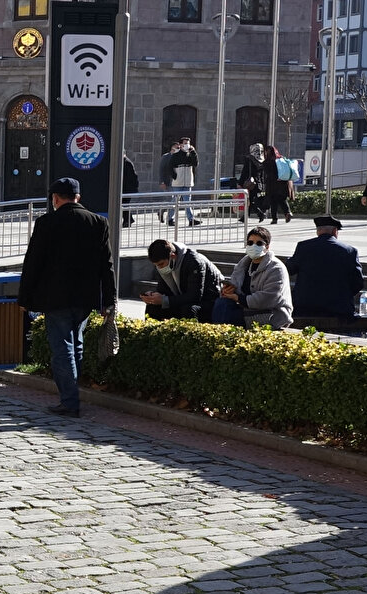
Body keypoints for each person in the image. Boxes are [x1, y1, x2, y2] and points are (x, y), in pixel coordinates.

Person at [18, 177, 117, 418]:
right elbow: (107, 264)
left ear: (55, 199)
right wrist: (109, 299)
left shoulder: (46, 223)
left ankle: (70, 401)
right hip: (85, 297)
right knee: (77, 345)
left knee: (62, 349)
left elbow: (33, 263)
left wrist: (24, 298)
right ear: (78, 197)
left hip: (55, 296)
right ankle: (72, 395)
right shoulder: (98, 222)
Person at [211, 226, 293, 330]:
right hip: (247, 310)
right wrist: (228, 291)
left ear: (267, 246)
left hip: (271, 313)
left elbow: (270, 298)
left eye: (259, 243)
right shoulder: (243, 264)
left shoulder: (276, 268)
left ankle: (219, 339)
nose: (253, 246)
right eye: (250, 243)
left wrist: (238, 298)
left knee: (225, 313)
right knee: (220, 304)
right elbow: (235, 284)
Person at [285, 216, 363, 322]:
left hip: (305, 308)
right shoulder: (349, 251)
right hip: (339, 310)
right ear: (335, 231)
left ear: (318, 231)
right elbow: (358, 282)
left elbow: (289, 270)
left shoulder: (303, 247)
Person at [140, 239, 223, 322]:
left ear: (172, 256)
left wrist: (164, 300)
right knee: (152, 307)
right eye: (156, 265)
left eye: (161, 264)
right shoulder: (166, 265)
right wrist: (153, 297)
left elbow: (194, 296)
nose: (159, 268)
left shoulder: (194, 261)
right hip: (184, 300)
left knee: (188, 309)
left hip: (210, 301)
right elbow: (164, 291)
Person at [170, 136, 199, 227]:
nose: (186, 145)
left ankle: (191, 219)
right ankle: (170, 218)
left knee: (187, 201)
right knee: (175, 201)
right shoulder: (176, 155)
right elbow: (170, 166)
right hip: (178, 181)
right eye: (185, 143)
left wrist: (193, 152)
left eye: (188, 143)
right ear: (181, 144)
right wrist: (174, 176)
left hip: (187, 181)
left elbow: (195, 164)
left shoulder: (190, 154)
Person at [264, 145, 294, 224]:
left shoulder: (268, 161)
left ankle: (275, 219)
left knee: (273, 202)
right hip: (283, 184)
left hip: (272, 185)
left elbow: (267, 173)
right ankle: (288, 212)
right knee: (282, 200)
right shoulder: (281, 158)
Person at [239, 143, 267, 222]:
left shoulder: (249, 159)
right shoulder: (262, 160)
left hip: (251, 183)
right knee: (251, 200)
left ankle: (260, 214)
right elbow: (262, 174)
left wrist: (240, 183)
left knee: (251, 201)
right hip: (258, 183)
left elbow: (244, 172)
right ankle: (245, 217)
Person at [157, 141, 179, 224]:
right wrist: (162, 181)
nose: (178, 149)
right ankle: (167, 216)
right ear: (172, 147)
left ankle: (166, 214)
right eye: (176, 147)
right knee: (171, 199)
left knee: (174, 200)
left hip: (177, 182)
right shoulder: (166, 157)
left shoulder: (178, 157)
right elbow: (161, 170)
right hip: (167, 182)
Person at [121, 153, 138, 228]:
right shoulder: (124, 162)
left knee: (124, 204)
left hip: (127, 189)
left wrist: (134, 188)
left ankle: (127, 220)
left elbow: (133, 177)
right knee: (124, 204)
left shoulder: (127, 163)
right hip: (125, 188)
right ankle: (129, 219)